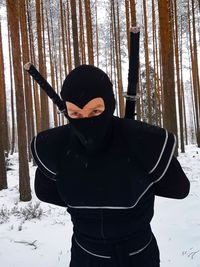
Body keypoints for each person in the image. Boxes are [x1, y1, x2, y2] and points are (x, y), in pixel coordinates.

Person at [31, 64, 190, 267]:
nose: (86, 121)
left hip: (138, 256)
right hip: (85, 257)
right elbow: (45, 192)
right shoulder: (54, 146)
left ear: (110, 104)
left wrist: (134, 186)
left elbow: (179, 189)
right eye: (76, 113)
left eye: (95, 110)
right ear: (66, 111)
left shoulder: (144, 141)